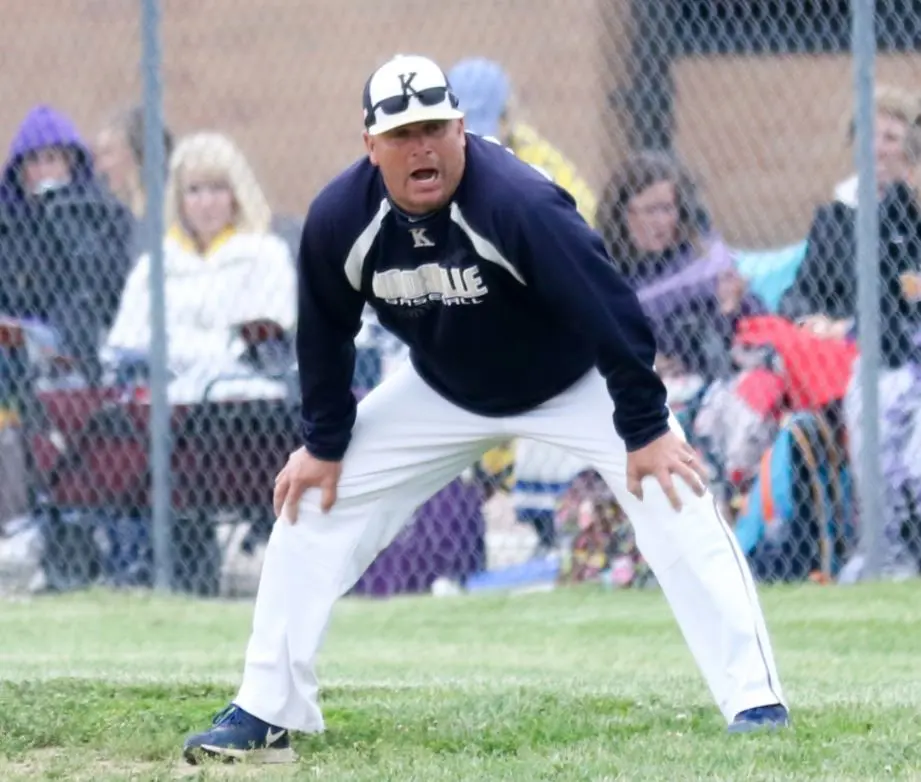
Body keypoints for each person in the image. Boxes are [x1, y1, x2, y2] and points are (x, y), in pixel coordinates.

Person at [182, 54, 789, 765]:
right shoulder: (339, 219)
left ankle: (754, 701)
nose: (422, 147)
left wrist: (647, 430)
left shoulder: (518, 204)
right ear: (369, 143)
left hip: (572, 382)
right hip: (444, 388)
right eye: (402, 133)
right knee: (309, 503)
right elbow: (323, 334)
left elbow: (613, 313)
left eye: (435, 127)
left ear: (462, 128)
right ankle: (266, 712)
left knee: (676, 493)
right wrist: (323, 443)